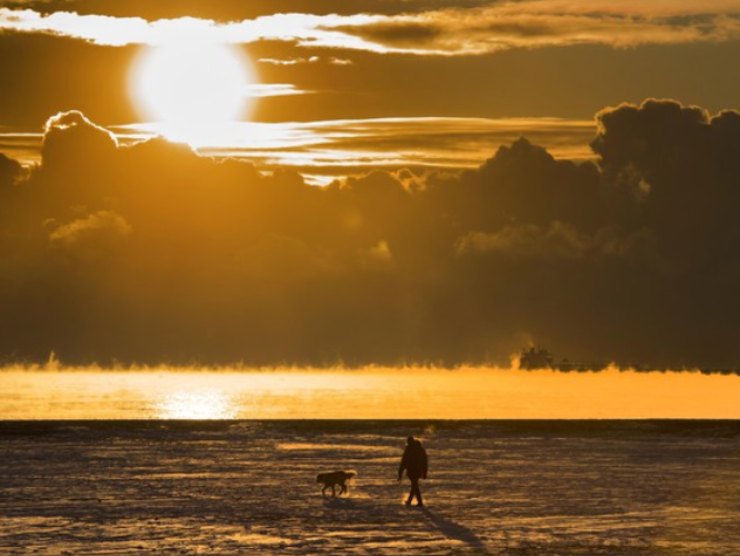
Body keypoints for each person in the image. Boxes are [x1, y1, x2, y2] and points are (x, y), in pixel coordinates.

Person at [398, 436, 428, 506]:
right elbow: (425, 462)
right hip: (418, 471)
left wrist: (400, 474)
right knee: (414, 485)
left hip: (411, 471)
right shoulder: (420, 449)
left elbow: (403, 462)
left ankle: (417, 502)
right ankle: (411, 501)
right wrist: (424, 472)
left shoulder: (408, 450)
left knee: (414, 485)